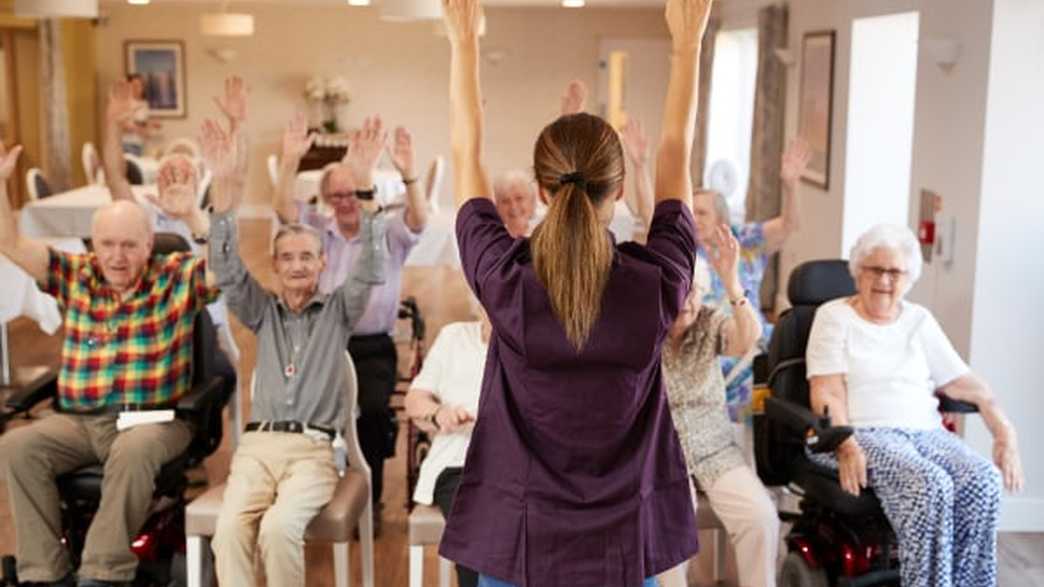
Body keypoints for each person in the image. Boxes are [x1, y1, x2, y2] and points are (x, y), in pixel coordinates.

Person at [436, 0, 713, 583]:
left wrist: (464, 43)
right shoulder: (656, 285)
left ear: (541, 190)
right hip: (624, 542)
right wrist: (687, 48)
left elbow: (466, 154)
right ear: (617, 191)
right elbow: (674, 158)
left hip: (522, 540)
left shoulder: (506, 282)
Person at [0, 140, 217, 587]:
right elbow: (9, 242)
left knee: (133, 451)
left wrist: (194, 218)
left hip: (154, 420)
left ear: (149, 243)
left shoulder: (173, 276)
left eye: (129, 245)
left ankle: (102, 574)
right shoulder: (76, 274)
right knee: (17, 447)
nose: (117, 257)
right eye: (107, 245)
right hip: (79, 422)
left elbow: (227, 270)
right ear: (93, 245)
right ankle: (44, 574)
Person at [203, 92, 386, 587]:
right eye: (288, 257)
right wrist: (225, 191)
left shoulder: (339, 312)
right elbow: (225, 267)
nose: (299, 264)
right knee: (228, 531)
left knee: (280, 529)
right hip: (258, 448)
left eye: (308, 256)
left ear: (322, 262)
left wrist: (365, 185)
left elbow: (372, 263)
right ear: (277, 266)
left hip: (313, 452)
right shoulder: (262, 312)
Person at [806, 224, 1024, 587]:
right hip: (864, 432)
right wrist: (845, 442)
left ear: (909, 279)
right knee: (931, 484)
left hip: (925, 432)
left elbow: (962, 382)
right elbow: (826, 391)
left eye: (895, 272)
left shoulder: (918, 319)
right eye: (876, 269)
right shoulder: (834, 316)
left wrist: (1004, 429)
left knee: (984, 479)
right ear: (858, 271)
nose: (885, 280)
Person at [273, 113, 430, 524]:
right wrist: (289, 161)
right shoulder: (315, 230)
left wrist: (410, 175)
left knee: (374, 411)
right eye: (336, 195)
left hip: (373, 345)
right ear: (327, 199)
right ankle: (314, 491)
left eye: (352, 192)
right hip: (322, 340)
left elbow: (420, 218)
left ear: (364, 192)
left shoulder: (385, 232)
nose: (345, 202)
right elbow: (282, 210)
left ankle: (370, 497)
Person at [622, 118, 813, 418]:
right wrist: (640, 165)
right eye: (690, 212)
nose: (693, 218)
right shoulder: (683, 246)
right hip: (703, 342)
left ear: (722, 218)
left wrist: (790, 186)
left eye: (701, 212)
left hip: (749, 340)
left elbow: (789, 225)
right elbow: (650, 215)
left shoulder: (744, 241)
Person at [656, 226, 778, 587]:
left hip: (715, 449)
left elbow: (748, 339)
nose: (689, 302)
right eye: (680, 292)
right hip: (662, 454)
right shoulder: (644, 332)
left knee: (761, 517)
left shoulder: (709, 322)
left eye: (695, 292)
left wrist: (732, 284)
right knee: (671, 522)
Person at [102, 77, 241, 378]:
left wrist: (234, 124)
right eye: (168, 173)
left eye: (183, 174)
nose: (175, 179)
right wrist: (112, 124)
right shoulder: (141, 216)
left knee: (217, 376)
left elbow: (231, 176)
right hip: (147, 327)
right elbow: (115, 175)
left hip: (199, 329)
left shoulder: (210, 217)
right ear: (157, 180)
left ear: (196, 182)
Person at [404, 295, 488, 587]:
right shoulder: (454, 338)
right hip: (458, 465)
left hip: (519, 466)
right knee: (478, 534)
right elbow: (415, 399)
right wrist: (440, 413)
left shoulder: (534, 344)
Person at [492, 170, 537, 238]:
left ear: (532, 201)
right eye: (505, 201)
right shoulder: (494, 239)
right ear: (497, 207)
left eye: (519, 198)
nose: (513, 206)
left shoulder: (544, 234)